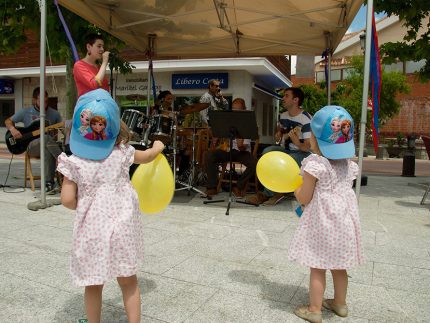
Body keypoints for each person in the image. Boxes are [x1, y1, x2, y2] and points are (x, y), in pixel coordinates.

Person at [57, 89, 165, 323]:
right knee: (129, 283)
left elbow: (66, 200)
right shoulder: (123, 153)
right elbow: (147, 156)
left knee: (93, 284)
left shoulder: (74, 162)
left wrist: (86, 204)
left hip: (92, 231)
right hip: (123, 228)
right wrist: (157, 147)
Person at [288, 105, 363, 323]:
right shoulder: (348, 165)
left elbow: (304, 198)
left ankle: (314, 309)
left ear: (315, 139)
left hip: (322, 223)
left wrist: (296, 189)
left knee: (318, 265)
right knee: (340, 266)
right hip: (344, 222)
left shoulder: (316, 164)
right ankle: (340, 304)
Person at [246, 87, 312, 206]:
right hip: (287, 150)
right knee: (267, 151)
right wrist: (278, 135)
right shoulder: (283, 115)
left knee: (289, 159)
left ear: (296, 100)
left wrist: (297, 142)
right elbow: (279, 135)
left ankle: (272, 193)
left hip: (303, 153)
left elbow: (308, 147)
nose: (283, 98)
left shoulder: (306, 118)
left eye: (286, 96)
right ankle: (271, 190)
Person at [4, 87, 63, 192]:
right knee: (46, 138)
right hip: (30, 146)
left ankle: (48, 183)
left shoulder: (55, 114)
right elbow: (8, 121)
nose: (44, 104)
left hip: (48, 146)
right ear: (34, 100)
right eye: (41, 101)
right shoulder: (26, 112)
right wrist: (13, 129)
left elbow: (59, 132)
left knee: (51, 143)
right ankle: (64, 162)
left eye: (46, 101)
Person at [204, 98, 257, 198]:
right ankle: (212, 187)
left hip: (242, 152)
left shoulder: (247, 123)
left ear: (244, 110)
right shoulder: (228, 121)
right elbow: (221, 139)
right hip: (228, 150)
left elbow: (243, 147)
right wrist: (216, 137)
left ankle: (238, 186)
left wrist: (240, 144)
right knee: (210, 155)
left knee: (255, 164)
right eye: (234, 109)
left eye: (238, 109)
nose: (235, 112)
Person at [73, 33, 110, 98]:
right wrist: (104, 63)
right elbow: (95, 84)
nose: (102, 49)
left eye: (103, 47)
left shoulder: (99, 67)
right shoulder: (79, 65)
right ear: (88, 47)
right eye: (99, 46)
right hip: (89, 106)